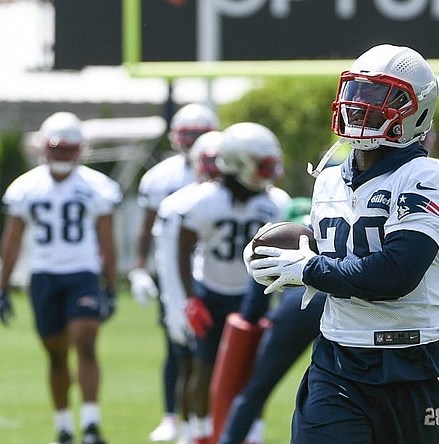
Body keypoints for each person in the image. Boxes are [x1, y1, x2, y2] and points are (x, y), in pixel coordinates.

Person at [248, 43, 439, 443]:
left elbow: (394, 274)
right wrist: (282, 254)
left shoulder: (425, 178)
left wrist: (308, 269)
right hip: (339, 359)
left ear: (416, 109)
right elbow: (339, 253)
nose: (361, 105)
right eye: (357, 92)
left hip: (413, 362)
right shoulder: (330, 178)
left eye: (380, 95)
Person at [0, 111, 121, 444]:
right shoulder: (25, 187)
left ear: (80, 150)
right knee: (56, 353)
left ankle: (91, 424)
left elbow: (107, 240)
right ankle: (64, 426)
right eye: (57, 149)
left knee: (86, 342)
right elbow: (13, 239)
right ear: (44, 149)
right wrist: (1, 287)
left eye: (69, 149)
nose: (63, 156)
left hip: (82, 273)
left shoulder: (97, 186)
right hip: (44, 275)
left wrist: (109, 285)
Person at [171, 122, 289, 444]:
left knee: (253, 373)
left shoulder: (276, 202)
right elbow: (182, 250)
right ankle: (199, 433)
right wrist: (191, 298)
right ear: (239, 163)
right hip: (212, 292)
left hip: (255, 295)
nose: (270, 171)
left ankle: (253, 435)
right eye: (263, 164)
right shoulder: (204, 200)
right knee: (204, 367)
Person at [128, 103, 219, 442]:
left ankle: (212, 421)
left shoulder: (226, 169)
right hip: (172, 272)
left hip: (214, 269)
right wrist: (139, 270)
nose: (193, 142)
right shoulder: (160, 178)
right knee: (178, 349)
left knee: (210, 352)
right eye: (188, 135)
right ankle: (174, 418)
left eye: (200, 135)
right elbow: (146, 227)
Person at [216, 199, 326, 444]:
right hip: (337, 302)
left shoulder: (275, 236)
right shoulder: (330, 228)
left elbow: (257, 297)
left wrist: (251, 320)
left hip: (293, 309)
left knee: (257, 388)